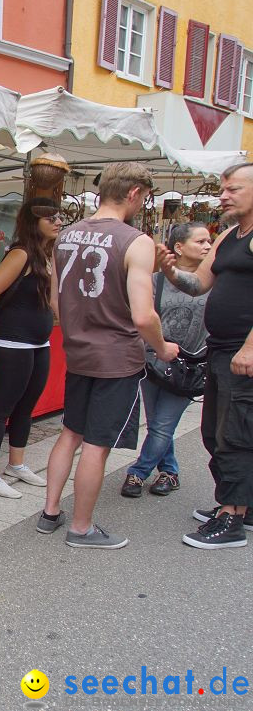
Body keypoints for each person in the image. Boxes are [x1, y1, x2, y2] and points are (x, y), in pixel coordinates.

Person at [36, 162, 178, 549]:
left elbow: (55, 301)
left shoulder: (65, 237)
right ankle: (81, 528)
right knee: (96, 444)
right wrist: (163, 348)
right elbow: (144, 314)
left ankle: (50, 513)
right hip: (116, 358)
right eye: (145, 197)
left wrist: (79, 332)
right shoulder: (136, 241)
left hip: (79, 353)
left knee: (70, 433)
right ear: (134, 193)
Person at [159, 162, 253, 549]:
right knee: (215, 430)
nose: (223, 196)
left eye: (232, 189)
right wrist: (170, 272)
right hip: (221, 349)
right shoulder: (231, 235)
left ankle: (232, 518)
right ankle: (240, 504)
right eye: (224, 189)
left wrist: (250, 347)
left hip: (242, 352)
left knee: (234, 433)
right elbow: (198, 284)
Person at [0, 197, 61, 498]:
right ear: (32, 221)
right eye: (50, 218)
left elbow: (52, 301)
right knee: (1, 409)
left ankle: (17, 464)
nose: (58, 221)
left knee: (26, 407)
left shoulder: (46, 255)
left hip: (39, 343)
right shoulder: (21, 253)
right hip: (12, 343)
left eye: (59, 216)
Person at [120, 223, 211, 499]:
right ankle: (169, 472)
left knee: (162, 425)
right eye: (201, 241)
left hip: (191, 365)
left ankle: (138, 471)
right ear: (179, 247)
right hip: (153, 362)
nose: (208, 246)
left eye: (209, 241)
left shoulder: (215, 281)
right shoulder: (156, 280)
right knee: (159, 421)